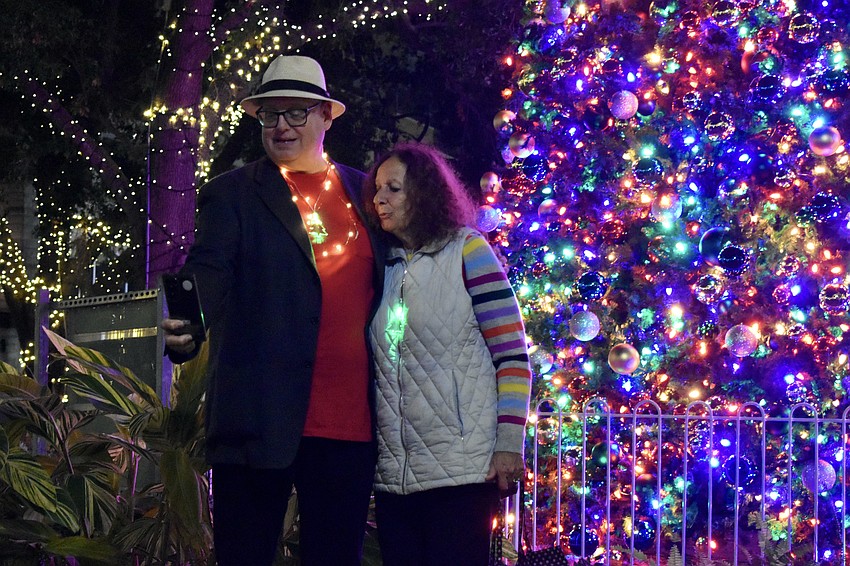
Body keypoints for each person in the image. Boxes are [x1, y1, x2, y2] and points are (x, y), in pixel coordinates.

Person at [161, 55, 383, 566]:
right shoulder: (232, 194)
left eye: (297, 112)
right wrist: (189, 328)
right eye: (270, 113)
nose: (281, 125)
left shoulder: (367, 191)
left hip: (349, 423)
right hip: (258, 420)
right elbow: (209, 271)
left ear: (327, 117)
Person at [363, 142, 532, 565]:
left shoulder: (467, 251)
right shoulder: (379, 265)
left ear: (424, 193)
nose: (379, 198)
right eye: (378, 188)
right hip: (394, 481)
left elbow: (512, 356)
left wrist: (509, 444)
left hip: (462, 475)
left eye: (394, 189)